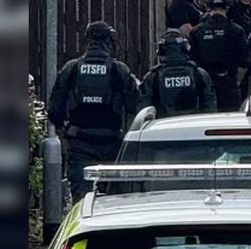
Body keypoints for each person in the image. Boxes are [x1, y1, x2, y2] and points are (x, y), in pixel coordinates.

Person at [47, 21, 139, 202]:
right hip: (112, 144)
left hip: (80, 144)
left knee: (82, 203)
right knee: (114, 203)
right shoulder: (119, 70)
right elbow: (133, 106)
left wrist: (65, 128)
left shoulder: (71, 68)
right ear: (109, 42)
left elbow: (54, 110)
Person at [190, 0, 250, 111]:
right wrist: (236, 81)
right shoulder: (236, 31)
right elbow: (244, 61)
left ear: (208, 6)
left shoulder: (196, 32)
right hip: (229, 85)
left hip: (204, 87)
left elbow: (192, 61)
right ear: (228, 6)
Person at [139, 29, 217, 117]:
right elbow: (210, 106)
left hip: (163, 128)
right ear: (185, 48)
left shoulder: (153, 77)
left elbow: (144, 110)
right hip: (194, 125)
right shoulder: (199, 74)